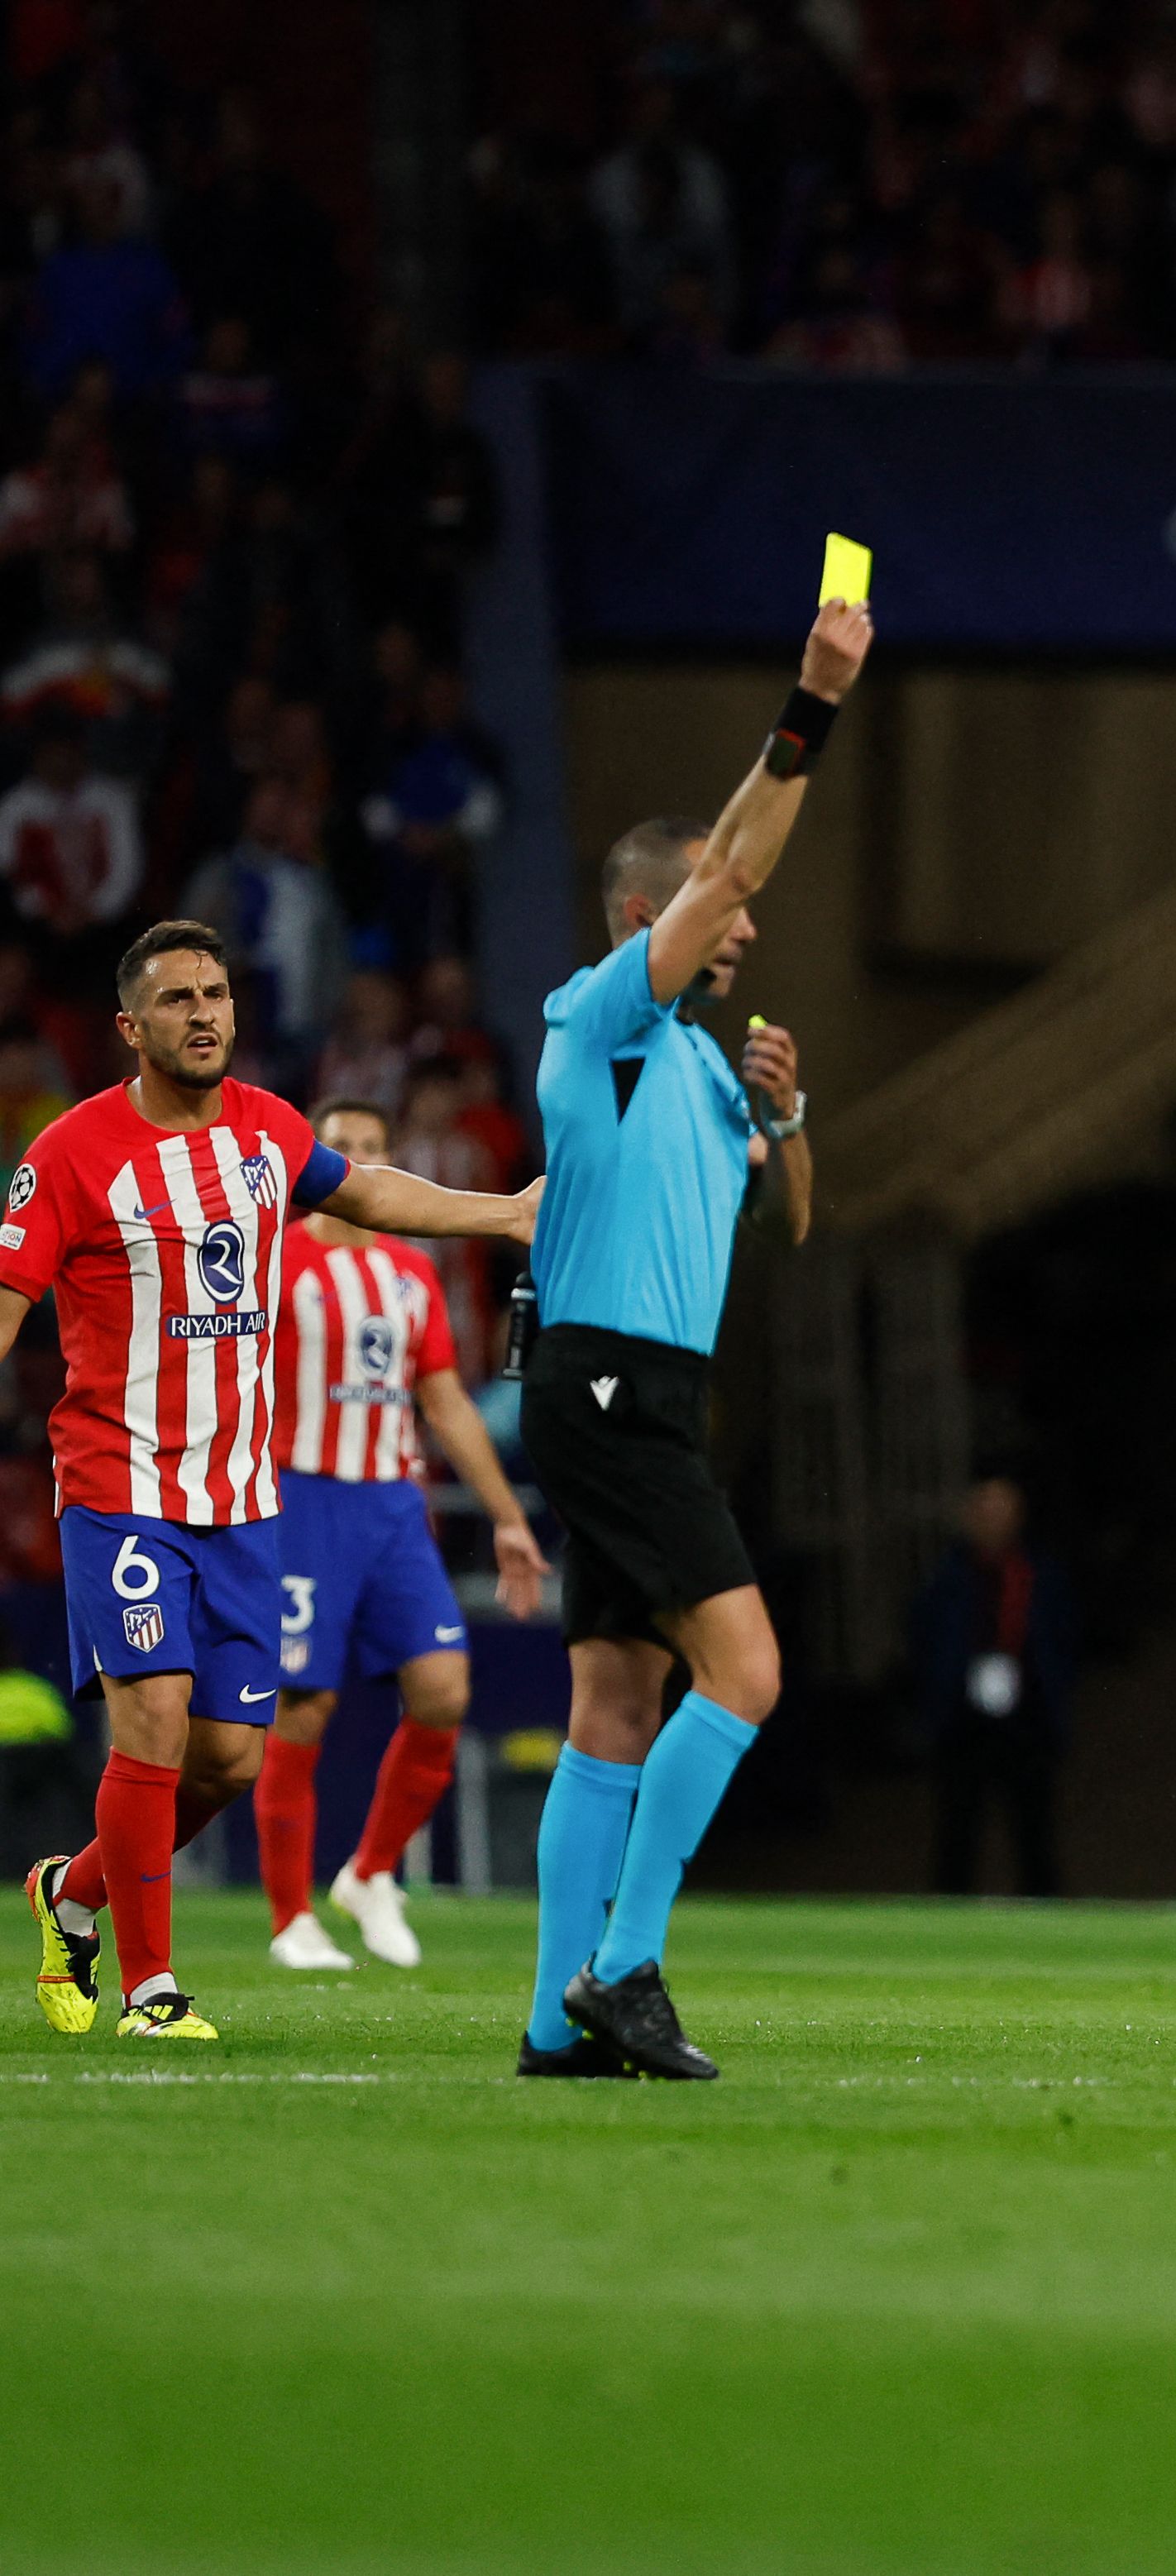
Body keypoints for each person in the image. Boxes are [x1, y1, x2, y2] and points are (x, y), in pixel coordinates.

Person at [10, 921, 535, 2042]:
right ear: (130, 1026)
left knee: (224, 1760)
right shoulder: (70, 1151)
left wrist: (504, 1212)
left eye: (216, 993)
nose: (202, 1013)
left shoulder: (267, 1129)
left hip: (245, 1502)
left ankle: (72, 1896)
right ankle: (153, 1990)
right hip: (121, 1480)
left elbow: (373, 1194)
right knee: (148, 1715)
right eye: (177, 999)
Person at [515, 597, 864, 2082]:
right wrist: (811, 706)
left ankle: (554, 2018)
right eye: (722, 912)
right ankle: (629, 1964)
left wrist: (787, 1120)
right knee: (749, 1671)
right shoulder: (602, 1022)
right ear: (659, 921)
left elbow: (786, 1225)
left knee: (616, 1694)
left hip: (642, 1385)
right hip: (606, 1379)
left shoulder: (711, 1078)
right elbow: (733, 860)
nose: (749, 923)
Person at [252, 1095, 549, 1970]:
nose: (352, 1159)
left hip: (393, 1507)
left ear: (385, 1163)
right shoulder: (274, 1261)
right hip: (303, 1498)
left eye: (368, 1148)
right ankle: (287, 1918)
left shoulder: (409, 1275)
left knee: (444, 1692)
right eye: (337, 1146)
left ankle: (371, 1871)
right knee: (302, 1707)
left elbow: (445, 1402)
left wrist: (505, 1516)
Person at [911, 1477, 1077, 1900]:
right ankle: (948, 1923)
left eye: (1003, 1512)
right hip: (964, 1721)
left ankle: (1046, 1918)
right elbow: (925, 1639)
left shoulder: (1039, 1574)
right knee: (957, 1829)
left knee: (1034, 1829)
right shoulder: (948, 1578)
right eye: (985, 1512)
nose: (993, 1523)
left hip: (1026, 1719)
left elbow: (1061, 1639)